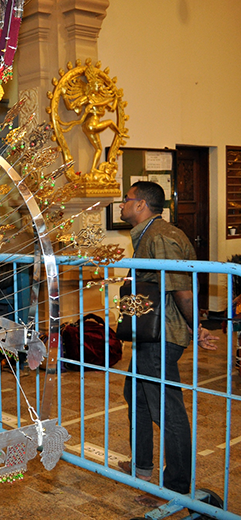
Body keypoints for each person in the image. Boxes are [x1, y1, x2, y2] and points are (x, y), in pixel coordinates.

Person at [118, 181, 217, 505]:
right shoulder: (150, 234)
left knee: (167, 409)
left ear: (142, 205)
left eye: (127, 199)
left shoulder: (159, 237)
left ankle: (176, 488)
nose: (122, 204)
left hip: (163, 335)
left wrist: (196, 328)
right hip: (152, 333)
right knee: (136, 393)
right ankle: (142, 467)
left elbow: (182, 291)